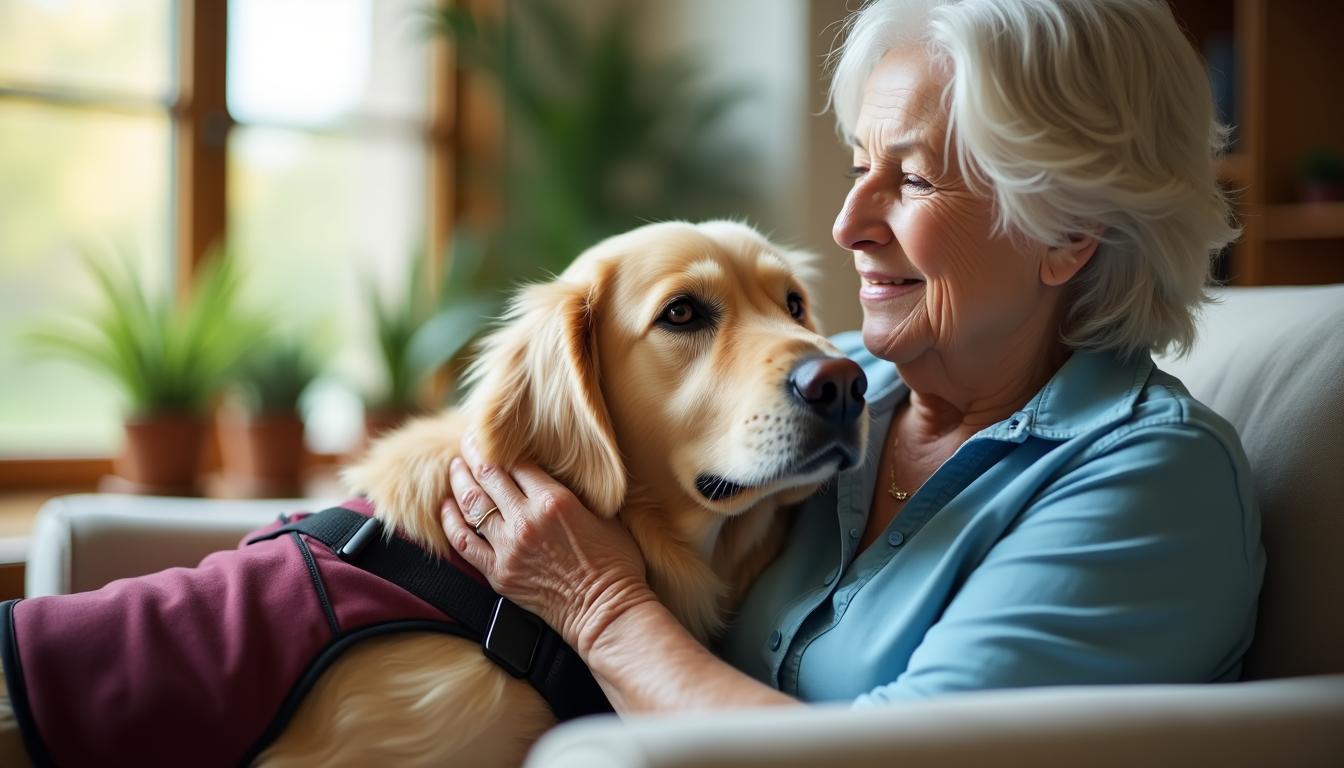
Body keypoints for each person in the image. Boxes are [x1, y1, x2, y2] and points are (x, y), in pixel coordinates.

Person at [439, 0, 1265, 710]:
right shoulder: (836, 386)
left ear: (1068, 233)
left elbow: (887, 760)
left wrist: (602, 609)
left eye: (911, 181)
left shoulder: (1154, 484)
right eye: (860, 167)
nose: (846, 225)